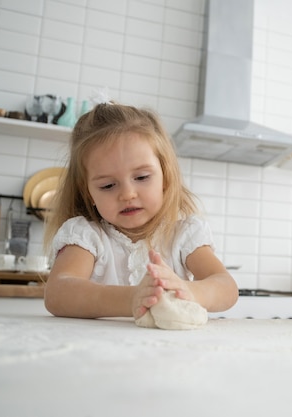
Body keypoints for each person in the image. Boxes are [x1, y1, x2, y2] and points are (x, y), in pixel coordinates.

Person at [43, 100, 238, 320]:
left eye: (142, 177)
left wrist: (187, 291)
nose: (127, 194)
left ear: (165, 177)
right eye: (107, 185)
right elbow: (58, 293)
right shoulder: (86, 236)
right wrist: (131, 298)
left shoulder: (184, 234)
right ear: (89, 193)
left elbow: (226, 287)